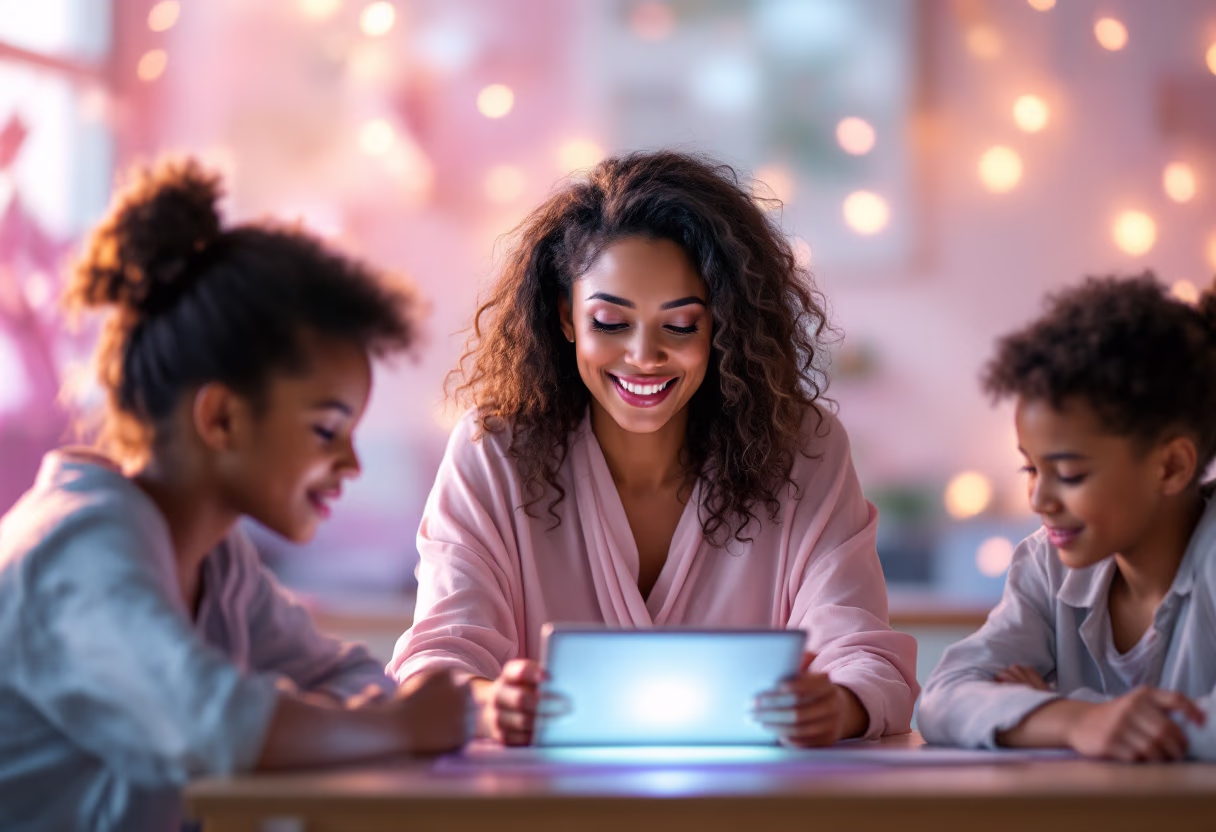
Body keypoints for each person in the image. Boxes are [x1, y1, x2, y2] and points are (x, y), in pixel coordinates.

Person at [390, 150, 918, 747]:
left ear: (722, 323)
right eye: (610, 323)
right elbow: (437, 658)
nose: (643, 356)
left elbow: (864, 655)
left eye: (681, 325)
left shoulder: (804, 450)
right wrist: (488, 706)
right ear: (566, 317)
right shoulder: (493, 453)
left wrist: (837, 706)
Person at [0, 159, 468, 832]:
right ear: (220, 418)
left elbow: (339, 676)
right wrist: (399, 727)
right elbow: (216, 728)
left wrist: (388, 715)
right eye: (326, 429)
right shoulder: (81, 548)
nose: (350, 462)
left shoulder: (218, 562)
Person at [919, 273, 1216, 762]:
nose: (1039, 500)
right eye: (1031, 468)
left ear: (1170, 466)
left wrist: (1049, 707)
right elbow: (943, 699)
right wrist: (1077, 723)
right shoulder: (1045, 562)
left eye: (1071, 473)